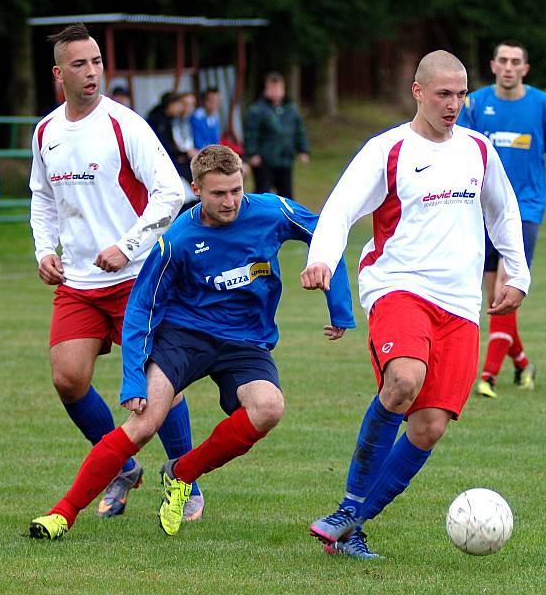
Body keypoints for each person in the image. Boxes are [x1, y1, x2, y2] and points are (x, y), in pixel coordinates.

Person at [28, 144, 356, 541]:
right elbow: (140, 308)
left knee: (269, 408)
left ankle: (181, 474)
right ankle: (62, 514)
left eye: (236, 190)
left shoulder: (271, 211)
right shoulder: (179, 238)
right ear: (196, 189)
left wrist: (338, 304)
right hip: (184, 338)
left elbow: (324, 231)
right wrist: (133, 377)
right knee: (145, 420)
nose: (231, 201)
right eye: (219, 193)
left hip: (246, 343)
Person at [302, 51, 530, 559]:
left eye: (462, 94)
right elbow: (339, 209)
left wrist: (518, 271)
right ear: (418, 91)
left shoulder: (478, 149)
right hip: (398, 285)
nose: (454, 104)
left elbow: (505, 211)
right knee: (403, 380)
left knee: (429, 427)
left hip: (459, 303)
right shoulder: (387, 150)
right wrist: (322, 259)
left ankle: (353, 524)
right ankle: (347, 508)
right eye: (444, 94)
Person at [29, 23, 205, 523]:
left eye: (97, 62)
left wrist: (127, 247)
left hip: (137, 279)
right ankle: (123, 466)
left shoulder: (124, 124)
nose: (92, 72)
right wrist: (45, 249)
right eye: (80, 64)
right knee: (68, 379)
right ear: (58, 73)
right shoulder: (46, 132)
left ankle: (183, 477)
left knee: (160, 386)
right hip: (80, 283)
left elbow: (171, 191)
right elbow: (42, 198)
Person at [457, 39, 546, 398]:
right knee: (494, 297)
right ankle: (522, 363)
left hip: (525, 209)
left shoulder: (543, 105)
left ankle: (487, 376)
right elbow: (457, 153)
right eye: (502, 60)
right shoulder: (474, 104)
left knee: (507, 285)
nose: (508, 66)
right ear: (493, 65)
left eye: (515, 61)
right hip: (480, 209)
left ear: (525, 68)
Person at [243, 72, 310, 200]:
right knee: (262, 193)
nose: (276, 92)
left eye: (278, 89)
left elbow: (299, 131)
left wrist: (303, 150)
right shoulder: (257, 110)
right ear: (266, 90)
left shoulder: (291, 109)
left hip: (285, 159)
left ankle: (286, 218)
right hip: (264, 160)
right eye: (272, 89)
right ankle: (261, 218)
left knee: (286, 195)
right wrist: (252, 153)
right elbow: (251, 133)